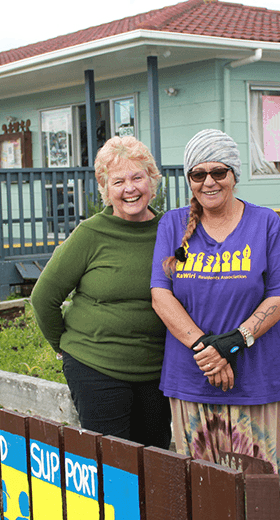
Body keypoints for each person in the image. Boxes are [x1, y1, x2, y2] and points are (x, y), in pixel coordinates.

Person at [150, 129, 280, 475]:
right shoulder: (172, 225)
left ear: (234, 175)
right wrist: (207, 349)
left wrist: (233, 342)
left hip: (256, 383)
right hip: (191, 380)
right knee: (202, 492)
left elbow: (279, 295)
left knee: (261, 490)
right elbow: (161, 295)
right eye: (198, 174)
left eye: (219, 172)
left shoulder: (264, 223)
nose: (209, 182)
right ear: (189, 179)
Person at [31, 135, 171, 449]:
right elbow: (43, 297)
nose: (130, 188)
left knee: (157, 457)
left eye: (138, 177)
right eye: (118, 181)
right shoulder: (90, 234)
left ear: (152, 180)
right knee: (112, 462)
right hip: (96, 366)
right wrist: (62, 345)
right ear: (106, 190)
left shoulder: (171, 231)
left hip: (157, 369)